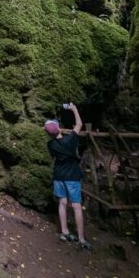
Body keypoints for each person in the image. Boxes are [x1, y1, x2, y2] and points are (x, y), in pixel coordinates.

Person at [44, 103, 91, 250]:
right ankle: (81, 239)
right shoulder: (70, 140)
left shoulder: (50, 145)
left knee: (62, 203)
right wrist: (74, 109)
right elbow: (79, 124)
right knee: (77, 206)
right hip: (72, 176)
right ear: (58, 129)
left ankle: (64, 232)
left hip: (59, 176)